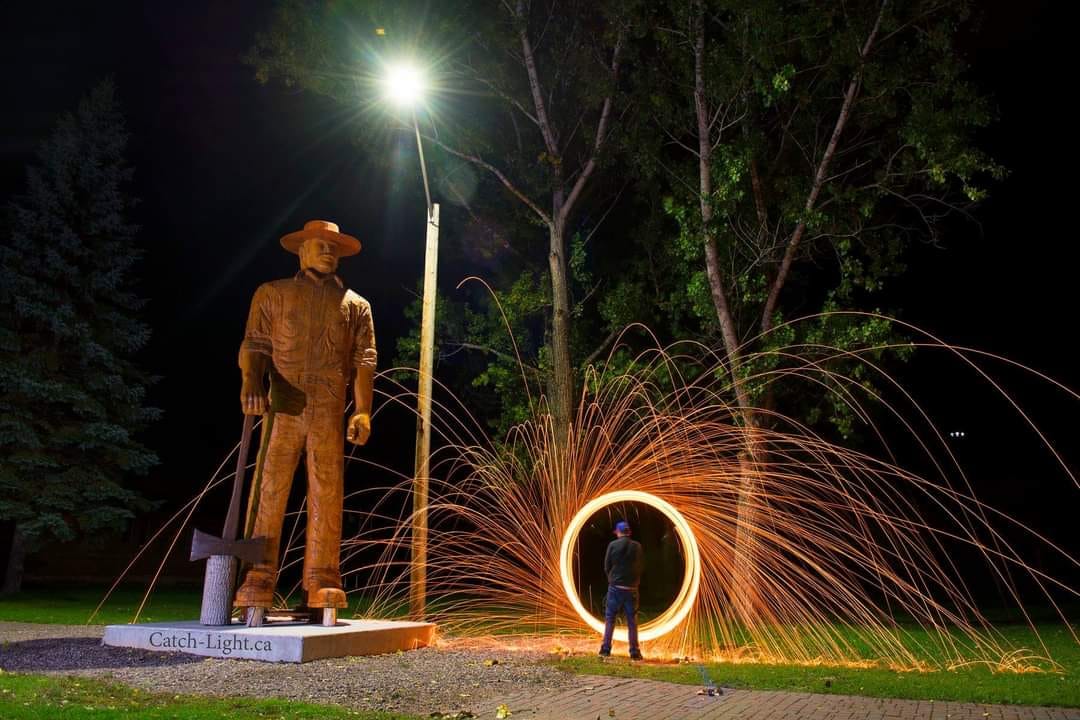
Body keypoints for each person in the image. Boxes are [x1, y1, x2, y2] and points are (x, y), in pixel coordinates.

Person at [233, 220, 376, 619]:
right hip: (284, 404)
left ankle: (323, 577)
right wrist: (251, 380)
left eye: (333, 246)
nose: (327, 251)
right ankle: (257, 573)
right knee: (270, 485)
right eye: (319, 245)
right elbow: (255, 343)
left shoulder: (356, 306)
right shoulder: (273, 294)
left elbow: (363, 359)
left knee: (328, 490)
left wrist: (362, 409)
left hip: (329, 407)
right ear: (301, 251)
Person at [599, 519, 644, 659]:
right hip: (631, 589)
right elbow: (640, 566)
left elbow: (607, 566)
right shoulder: (637, 546)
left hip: (616, 588)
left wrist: (612, 579)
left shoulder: (612, 545)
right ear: (629, 532)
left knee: (610, 618)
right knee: (632, 621)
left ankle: (605, 649)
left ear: (617, 532)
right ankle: (634, 652)